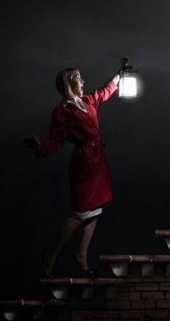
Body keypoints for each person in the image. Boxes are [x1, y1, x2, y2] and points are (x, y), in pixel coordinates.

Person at [22, 57, 129, 277]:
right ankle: (50, 255)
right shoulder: (61, 112)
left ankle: (81, 255)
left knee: (96, 210)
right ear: (70, 83)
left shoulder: (88, 101)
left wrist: (120, 72)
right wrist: (40, 146)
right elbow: (56, 140)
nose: (83, 81)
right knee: (79, 213)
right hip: (83, 163)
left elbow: (104, 91)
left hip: (98, 161)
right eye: (79, 78)